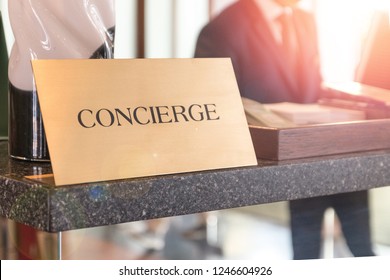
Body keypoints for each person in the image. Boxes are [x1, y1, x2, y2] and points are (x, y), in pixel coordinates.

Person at [194, 0, 375, 259]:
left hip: (314, 146)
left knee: (350, 162)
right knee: (311, 240)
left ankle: (357, 253)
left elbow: (312, 84)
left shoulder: (304, 20)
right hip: (269, 148)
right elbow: (212, 104)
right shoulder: (223, 28)